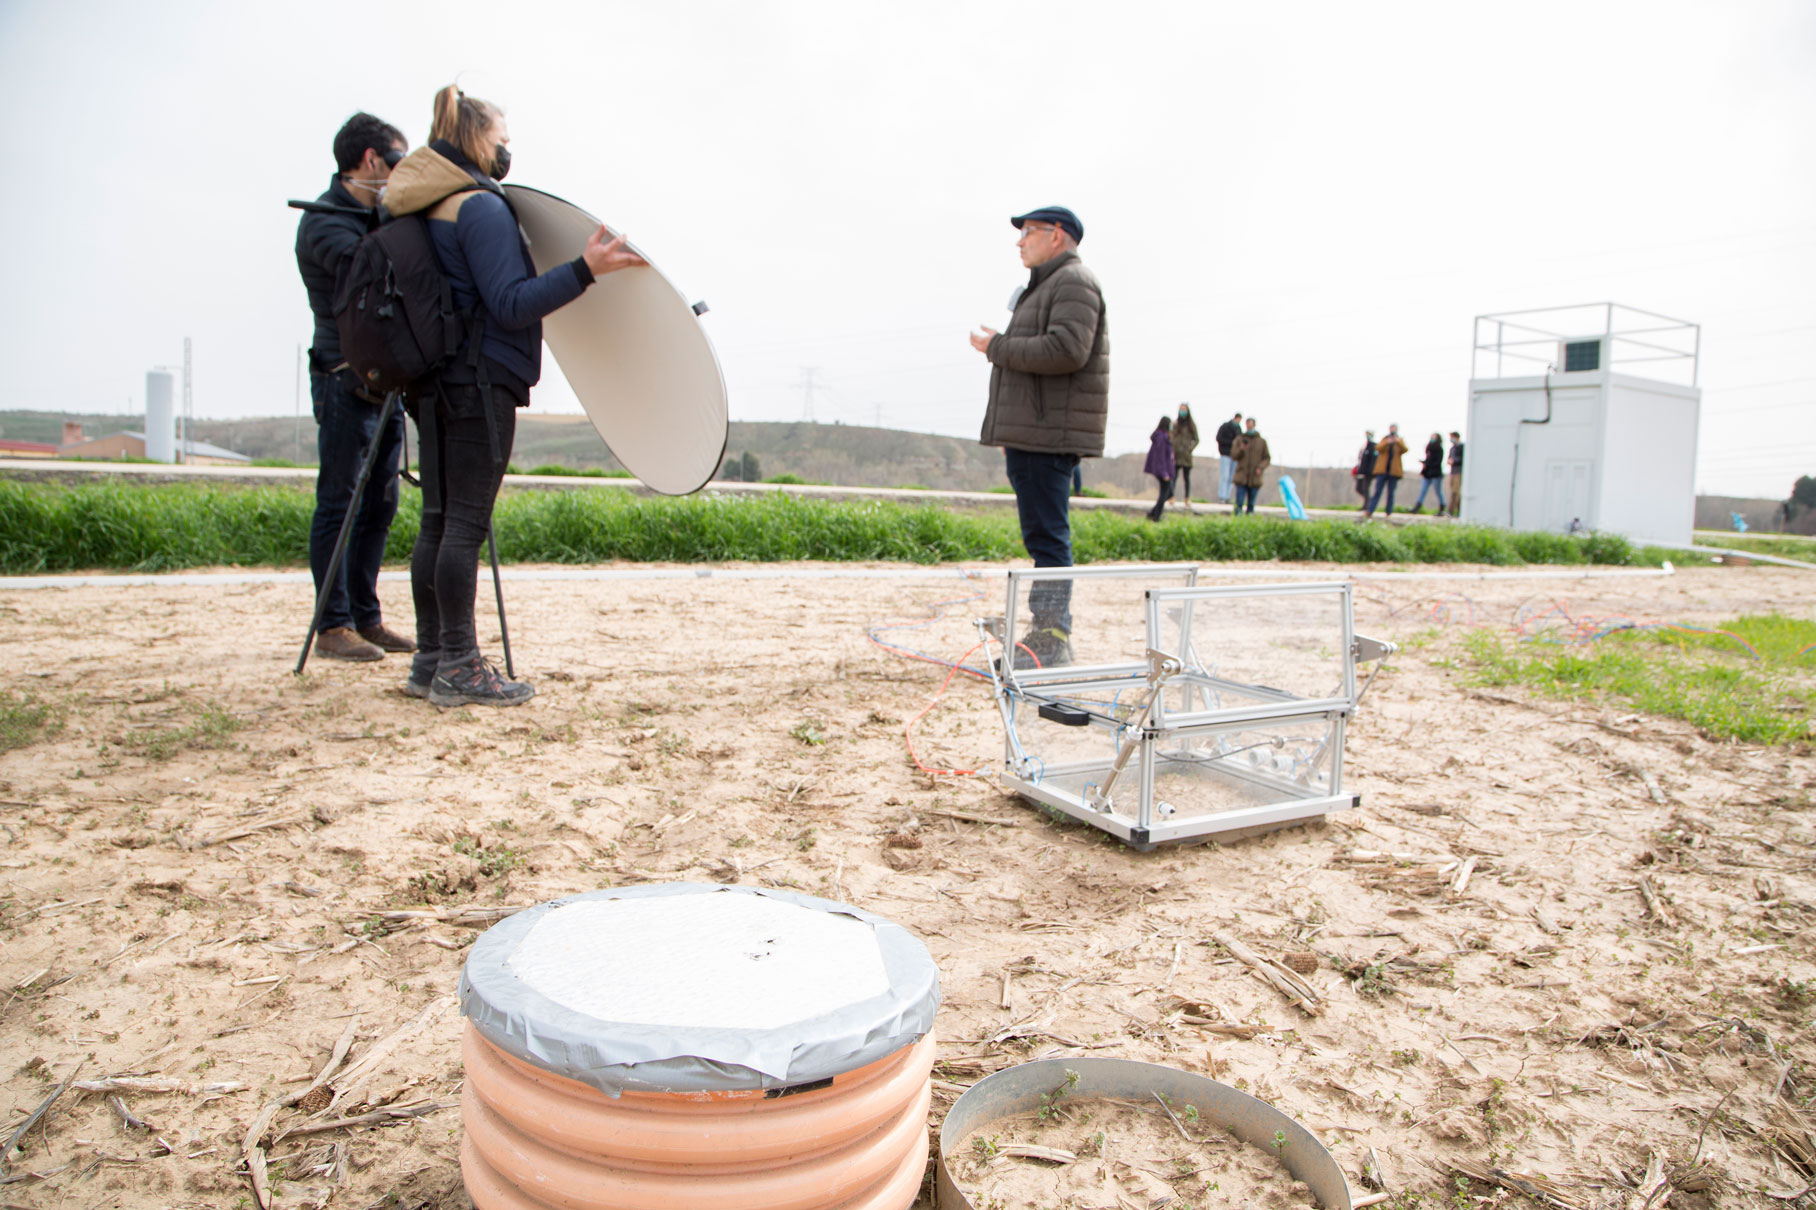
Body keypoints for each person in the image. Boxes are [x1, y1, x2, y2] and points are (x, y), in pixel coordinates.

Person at [385, 85, 645, 706]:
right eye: (503, 139)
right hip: (479, 381)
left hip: (435, 383)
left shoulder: (428, 206)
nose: (508, 149)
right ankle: (461, 665)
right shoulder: (479, 207)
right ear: (478, 139)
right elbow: (509, 304)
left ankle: (430, 659)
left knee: (439, 522)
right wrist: (586, 269)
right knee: (463, 527)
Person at [295, 112, 415, 663]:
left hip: (383, 379)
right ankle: (333, 625)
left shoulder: (370, 217)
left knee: (379, 504)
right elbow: (370, 274)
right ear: (369, 160)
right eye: (395, 162)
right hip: (343, 378)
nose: (398, 174)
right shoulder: (325, 224)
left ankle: (366, 618)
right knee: (339, 502)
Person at [971, 205, 1108, 669]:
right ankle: (1045, 638)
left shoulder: (1074, 282)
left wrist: (997, 348)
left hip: (1048, 437)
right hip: (1034, 435)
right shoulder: (1049, 285)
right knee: (1042, 538)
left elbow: (1067, 350)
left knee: (1049, 541)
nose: (1019, 240)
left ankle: (1050, 640)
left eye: (1027, 232)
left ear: (1056, 235)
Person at [1363, 424, 1408, 518]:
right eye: (1391, 429)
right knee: (1377, 491)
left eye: (1394, 429)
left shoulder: (1400, 440)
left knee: (1391, 492)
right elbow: (1378, 448)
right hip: (1382, 471)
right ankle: (1370, 510)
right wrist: (1388, 442)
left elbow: (1405, 450)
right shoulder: (1385, 439)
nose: (1393, 431)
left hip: (1393, 471)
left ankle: (1388, 512)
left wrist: (1397, 441)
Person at [1230, 417, 1270, 514]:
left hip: (1255, 476)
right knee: (1239, 502)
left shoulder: (1261, 442)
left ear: (1254, 425)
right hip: (1242, 475)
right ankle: (1237, 518)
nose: (1249, 426)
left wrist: (1260, 467)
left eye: (1251, 424)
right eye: (1248, 424)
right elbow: (1233, 455)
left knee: (1251, 504)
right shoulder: (1239, 439)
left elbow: (1267, 458)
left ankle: (1249, 518)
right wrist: (1241, 449)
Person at [1144, 417, 1176, 522]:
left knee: (1167, 493)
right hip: (1163, 471)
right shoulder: (1161, 437)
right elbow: (1161, 457)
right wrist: (1164, 473)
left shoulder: (1163, 436)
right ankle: (1156, 517)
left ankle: (1153, 513)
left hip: (1164, 470)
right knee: (1165, 494)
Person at [1409, 432, 1446, 514]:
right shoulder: (1429, 449)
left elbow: (1437, 462)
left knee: (1438, 491)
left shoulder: (1439, 449)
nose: (1433, 439)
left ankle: (1442, 507)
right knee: (1423, 491)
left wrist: (1427, 463)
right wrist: (1424, 463)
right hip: (1427, 474)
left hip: (1436, 474)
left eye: (1434, 437)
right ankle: (1416, 508)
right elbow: (1428, 460)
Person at [1172, 404, 1199, 503]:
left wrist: (1189, 449)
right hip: (1176, 455)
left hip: (1187, 456)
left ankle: (1187, 498)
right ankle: (1171, 497)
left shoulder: (1191, 425)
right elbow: (1171, 437)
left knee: (1186, 478)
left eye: (1184, 410)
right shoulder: (1175, 424)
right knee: (1174, 477)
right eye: (1181, 409)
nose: (1182, 411)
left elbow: (1196, 439)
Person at [1215, 412, 1243, 504]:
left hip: (1234, 456)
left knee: (1231, 478)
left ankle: (1227, 497)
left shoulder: (1238, 429)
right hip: (1225, 454)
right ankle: (1222, 496)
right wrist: (1231, 443)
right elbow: (1219, 438)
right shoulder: (1225, 426)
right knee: (1225, 476)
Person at [1354, 430, 1377, 506]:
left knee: (1365, 488)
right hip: (1361, 470)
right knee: (1358, 488)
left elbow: (1373, 460)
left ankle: (1366, 505)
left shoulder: (1374, 446)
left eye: (1369, 434)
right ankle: (1369, 502)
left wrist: (1371, 471)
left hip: (1369, 471)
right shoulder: (1364, 446)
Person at [1446, 431, 1464, 518]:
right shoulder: (1452, 448)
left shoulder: (1462, 447)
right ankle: (1451, 511)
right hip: (1452, 472)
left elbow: (1463, 459)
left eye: (1452, 437)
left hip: (1459, 472)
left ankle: (1460, 511)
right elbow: (1449, 458)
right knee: (1453, 492)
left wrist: (1455, 461)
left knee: (1456, 492)